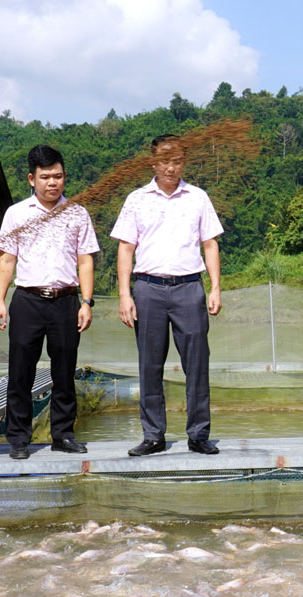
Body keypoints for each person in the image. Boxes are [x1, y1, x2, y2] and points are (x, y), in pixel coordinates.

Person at [112, 134, 224, 456]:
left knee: (197, 363)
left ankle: (199, 434)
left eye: (177, 162)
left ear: (183, 163)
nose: (171, 168)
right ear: (154, 163)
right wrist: (124, 295)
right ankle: (153, 436)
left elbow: (210, 244)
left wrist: (215, 287)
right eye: (165, 162)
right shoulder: (136, 199)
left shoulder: (198, 197)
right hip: (147, 289)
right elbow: (125, 248)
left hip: (189, 288)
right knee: (149, 365)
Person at [0, 145, 99, 460]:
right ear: (31, 178)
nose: (53, 183)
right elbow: (7, 260)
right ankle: (19, 438)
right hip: (27, 300)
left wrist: (87, 302)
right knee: (21, 371)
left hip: (66, 301)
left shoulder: (77, 213)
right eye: (45, 177)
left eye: (58, 176)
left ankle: (63, 435)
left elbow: (85, 262)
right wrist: (0, 300)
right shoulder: (17, 214)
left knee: (64, 371)